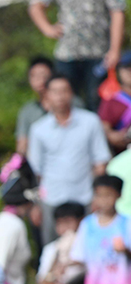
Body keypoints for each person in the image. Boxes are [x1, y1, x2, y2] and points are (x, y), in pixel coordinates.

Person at [28, 75, 111, 243]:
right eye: (55, 92)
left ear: (71, 93)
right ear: (47, 95)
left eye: (64, 91)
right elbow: (36, 171)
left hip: (85, 197)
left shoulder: (91, 122)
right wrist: (37, 204)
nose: (60, 96)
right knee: (53, 251)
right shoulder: (38, 129)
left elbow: (100, 162)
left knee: (90, 246)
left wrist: (98, 197)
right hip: (51, 198)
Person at [29, 0, 126, 111]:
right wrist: (47, 28)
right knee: (66, 99)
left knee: (96, 99)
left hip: (99, 54)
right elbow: (35, 5)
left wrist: (115, 50)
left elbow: (117, 13)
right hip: (67, 54)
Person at [16, 56, 58, 157]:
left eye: (44, 75)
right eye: (34, 76)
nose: (40, 80)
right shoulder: (27, 111)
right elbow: (22, 146)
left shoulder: (70, 103)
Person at [98, 52, 131, 152]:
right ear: (118, 72)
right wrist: (113, 136)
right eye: (127, 68)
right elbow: (104, 129)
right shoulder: (111, 101)